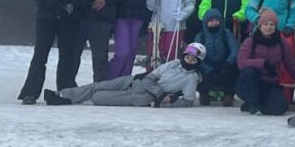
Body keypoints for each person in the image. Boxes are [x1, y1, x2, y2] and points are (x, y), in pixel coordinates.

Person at [19, 0, 95, 104]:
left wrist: (73, 5)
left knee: (68, 56)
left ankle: (65, 90)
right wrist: (56, 5)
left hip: (71, 19)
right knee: (40, 55)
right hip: (47, 18)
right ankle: (30, 92)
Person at [45, 42, 205, 107]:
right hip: (135, 81)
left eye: (193, 60)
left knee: (98, 97)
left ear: (197, 62)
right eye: (188, 57)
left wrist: (166, 101)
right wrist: (160, 92)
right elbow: (151, 77)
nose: (189, 61)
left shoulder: (191, 78)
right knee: (98, 86)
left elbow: (188, 102)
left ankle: (70, 97)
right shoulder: (173, 63)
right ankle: (62, 96)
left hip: (141, 97)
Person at [236, 8, 295, 115]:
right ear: (260, 26)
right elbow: (241, 62)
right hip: (251, 81)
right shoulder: (251, 41)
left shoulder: (281, 42)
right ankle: (253, 102)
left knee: (281, 107)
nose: (269, 27)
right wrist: (262, 63)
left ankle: (257, 105)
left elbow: (290, 64)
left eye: (272, 24)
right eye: (265, 24)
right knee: (249, 72)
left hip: (270, 81)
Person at [196, 8, 239, 105]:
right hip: (207, 67)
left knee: (234, 68)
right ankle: (204, 93)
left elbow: (235, 50)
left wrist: (228, 63)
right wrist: (207, 69)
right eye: (211, 21)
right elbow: (195, 56)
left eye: (216, 20)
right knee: (196, 69)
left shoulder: (226, 33)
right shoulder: (200, 36)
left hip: (225, 64)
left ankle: (229, 94)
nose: (214, 23)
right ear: (206, 22)